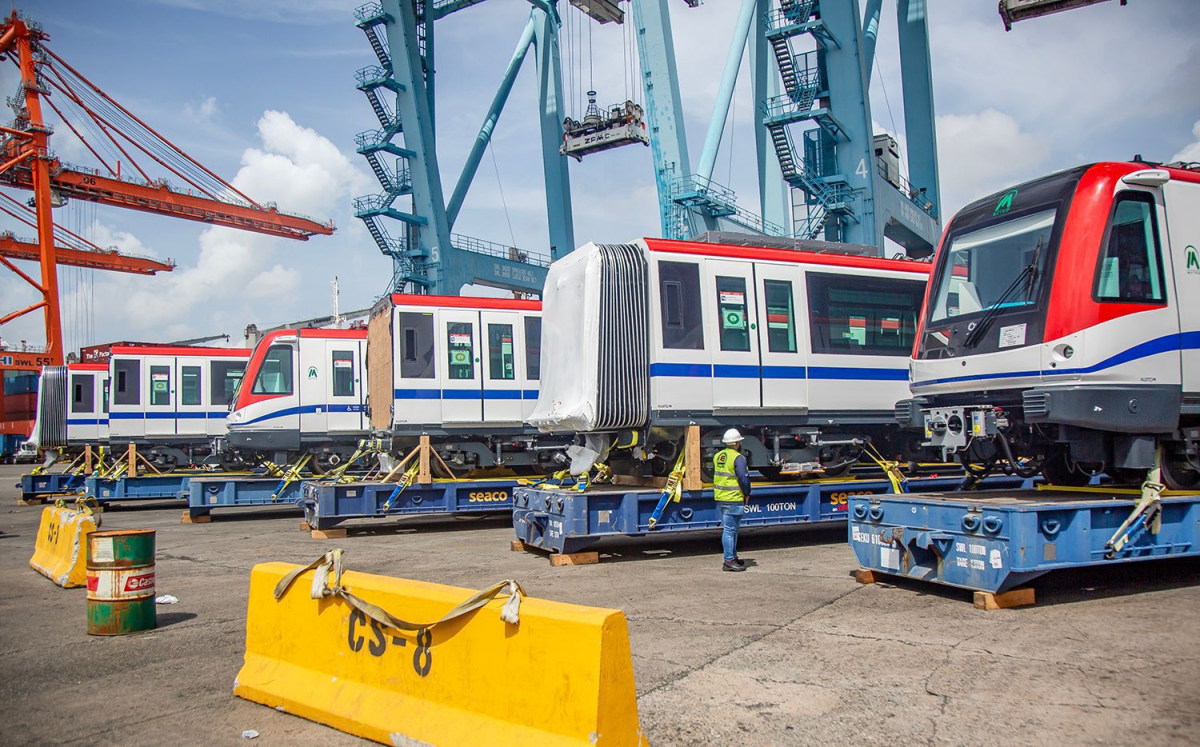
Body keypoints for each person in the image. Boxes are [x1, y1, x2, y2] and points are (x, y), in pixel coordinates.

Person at [712, 428, 751, 572]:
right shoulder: (738, 458)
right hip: (733, 498)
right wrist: (747, 493)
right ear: (736, 443)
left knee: (732, 530)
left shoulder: (718, 456)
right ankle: (728, 560)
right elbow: (743, 478)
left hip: (721, 497)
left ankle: (733, 557)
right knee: (730, 530)